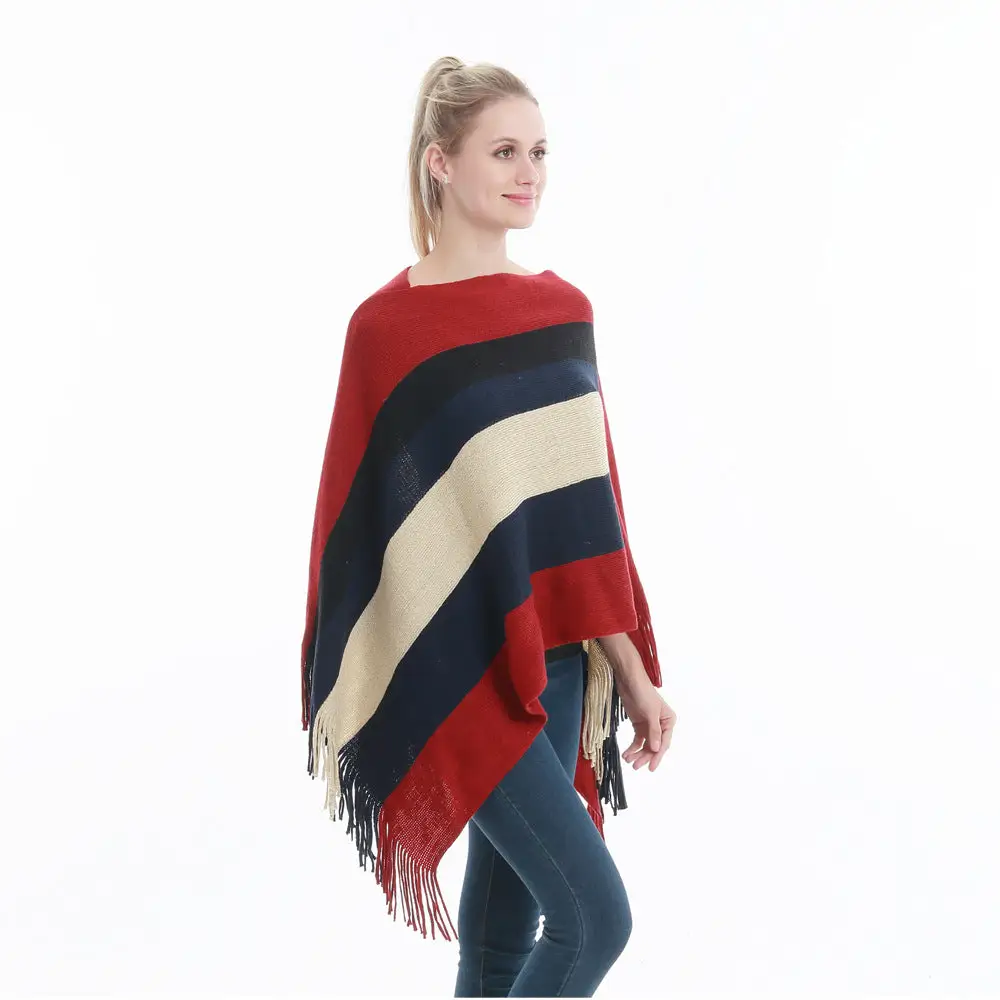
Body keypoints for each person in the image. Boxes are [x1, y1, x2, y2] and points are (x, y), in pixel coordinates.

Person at [300, 55, 677, 999]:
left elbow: (588, 525)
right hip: (460, 671)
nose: (528, 173)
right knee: (595, 920)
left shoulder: (562, 313)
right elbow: (365, 533)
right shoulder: (386, 331)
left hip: (561, 660)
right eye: (504, 151)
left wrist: (634, 675)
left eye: (540, 153)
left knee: (505, 940)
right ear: (441, 161)